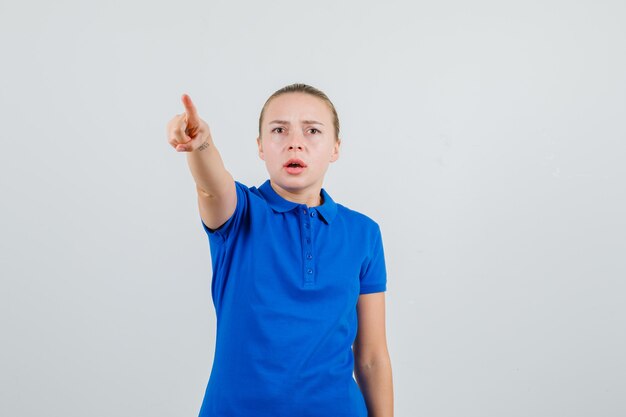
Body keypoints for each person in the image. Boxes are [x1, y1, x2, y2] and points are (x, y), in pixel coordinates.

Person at [166, 83, 393, 417]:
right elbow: (212, 187)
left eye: (312, 130)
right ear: (260, 147)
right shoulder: (239, 212)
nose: (295, 142)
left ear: (335, 148)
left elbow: (372, 357)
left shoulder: (364, 233)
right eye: (279, 130)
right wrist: (201, 146)